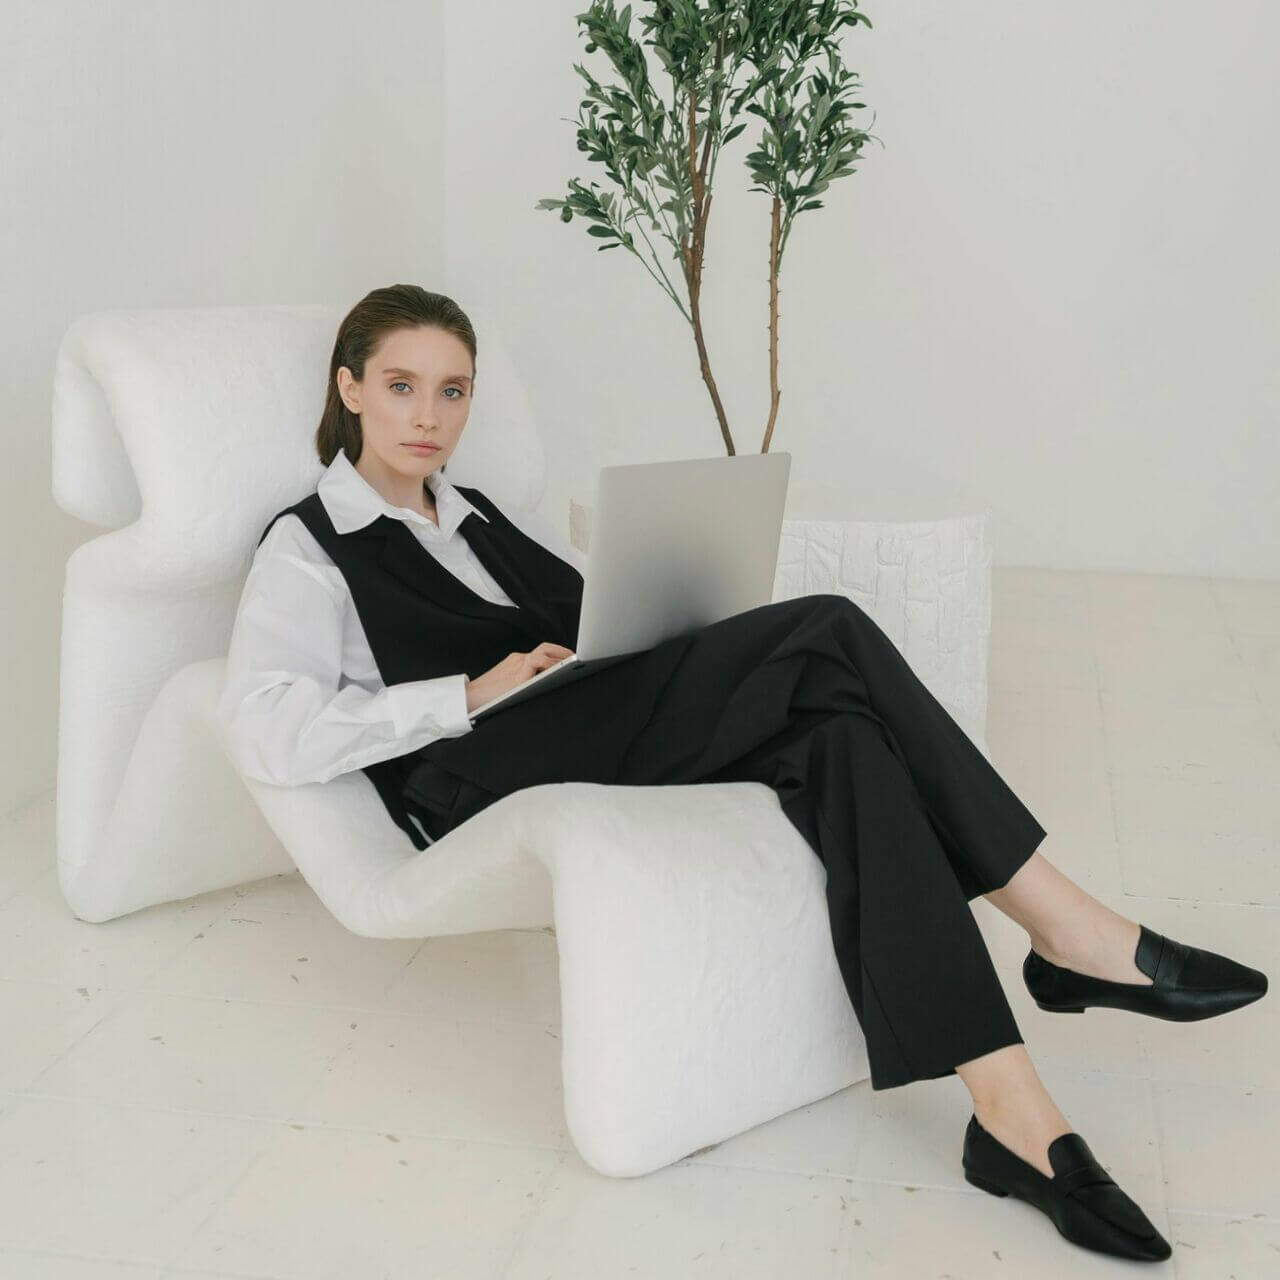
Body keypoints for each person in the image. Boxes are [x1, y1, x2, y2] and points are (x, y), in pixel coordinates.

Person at [219, 284, 1267, 1264]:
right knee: (828, 630)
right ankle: (1069, 930)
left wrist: (656, 625)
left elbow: (590, 626)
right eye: (401, 385)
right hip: (480, 774)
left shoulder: (477, 513)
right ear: (349, 387)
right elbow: (264, 727)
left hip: (585, 724)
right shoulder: (309, 547)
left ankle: (1011, 1112)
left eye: (452, 391)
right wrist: (463, 694)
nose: (428, 416)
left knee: (843, 741)